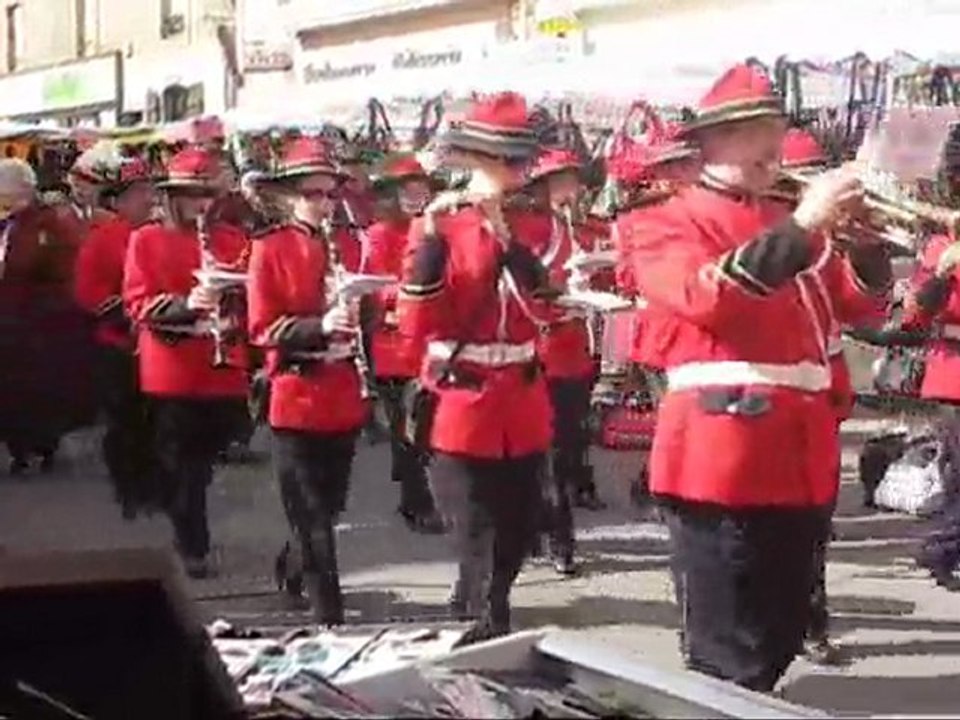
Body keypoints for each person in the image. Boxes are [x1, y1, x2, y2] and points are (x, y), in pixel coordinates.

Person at [621, 64, 892, 691]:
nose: (772, 142)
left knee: (782, 627)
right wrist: (803, 228)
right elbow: (705, 295)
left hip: (801, 450)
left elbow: (858, 306)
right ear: (710, 144)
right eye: (753, 130)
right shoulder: (663, 220)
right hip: (721, 451)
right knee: (726, 642)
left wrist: (867, 244)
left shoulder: (791, 218)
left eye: (774, 126)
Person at [397, 92, 552, 645]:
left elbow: (545, 307)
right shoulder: (439, 224)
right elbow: (416, 325)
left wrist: (507, 242)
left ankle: (486, 599)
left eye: (521, 160)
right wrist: (433, 249)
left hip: (523, 400)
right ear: (479, 161)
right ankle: (486, 621)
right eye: (508, 160)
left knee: (518, 524)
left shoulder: (533, 223)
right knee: (475, 528)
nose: (520, 171)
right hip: (464, 400)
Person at [247, 136, 368, 624]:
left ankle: (292, 565)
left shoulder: (348, 243)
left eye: (328, 194)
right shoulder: (270, 248)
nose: (322, 203)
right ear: (289, 196)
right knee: (314, 515)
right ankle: (329, 615)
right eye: (311, 194)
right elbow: (262, 328)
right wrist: (320, 327)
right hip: (296, 396)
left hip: (343, 396)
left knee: (328, 510)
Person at [123, 146, 251, 578]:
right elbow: (138, 303)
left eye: (208, 195)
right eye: (193, 195)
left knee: (204, 461)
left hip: (219, 367)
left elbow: (252, 298)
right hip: (172, 369)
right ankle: (191, 543)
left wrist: (235, 301)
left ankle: (187, 523)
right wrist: (187, 303)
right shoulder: (146, 239)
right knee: (185, 465)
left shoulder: (231, 239)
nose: (202, 204)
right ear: (173, 197)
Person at [772, 126, 871, 665]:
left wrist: (869, 247)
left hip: (823, 396)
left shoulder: (831, 243)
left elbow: (864, 308)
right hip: (768, 398)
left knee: (815, 522)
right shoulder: (770, 238)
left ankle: (810, 622)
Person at [513, 147, 600, 575]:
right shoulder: (528, 228)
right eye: (564, 179)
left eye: (574, 179)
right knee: (546, 454)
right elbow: (519, 289)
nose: (573, 188)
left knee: (564, 452)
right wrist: (556, 306)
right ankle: (556, 539)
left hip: (574, 354)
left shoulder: (576, 227)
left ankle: (545, 533)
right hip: (539, 353)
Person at [363, 153, 444, 534]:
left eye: (420, 187)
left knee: (428, 429)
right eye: (407, 188)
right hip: (394, 348)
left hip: (430, 344)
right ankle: (416, 502)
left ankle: (423, 494)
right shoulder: (378, 236)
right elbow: (377, 290)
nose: (416, 195)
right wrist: (419, 293)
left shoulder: (433, 229)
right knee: (407, 432)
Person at [74, 156, 156, 519]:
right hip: (120, 344)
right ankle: (130, 490)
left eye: (149, 190)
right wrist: (128, 311)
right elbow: (88, 292)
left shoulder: (164, 234)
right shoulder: (104, 240)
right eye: (137, 193)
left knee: (158, 421)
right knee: (124, 423)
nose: (147, 198)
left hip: (161, 345)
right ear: (118, 202)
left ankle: (156, 489)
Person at [0, 159, 92, 475]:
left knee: (35, 389)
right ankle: (19, 448)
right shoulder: (9, 224)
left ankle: (40, 446)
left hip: (38, 324)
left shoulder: (48, 225)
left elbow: (62, 273)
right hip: (9, 323)